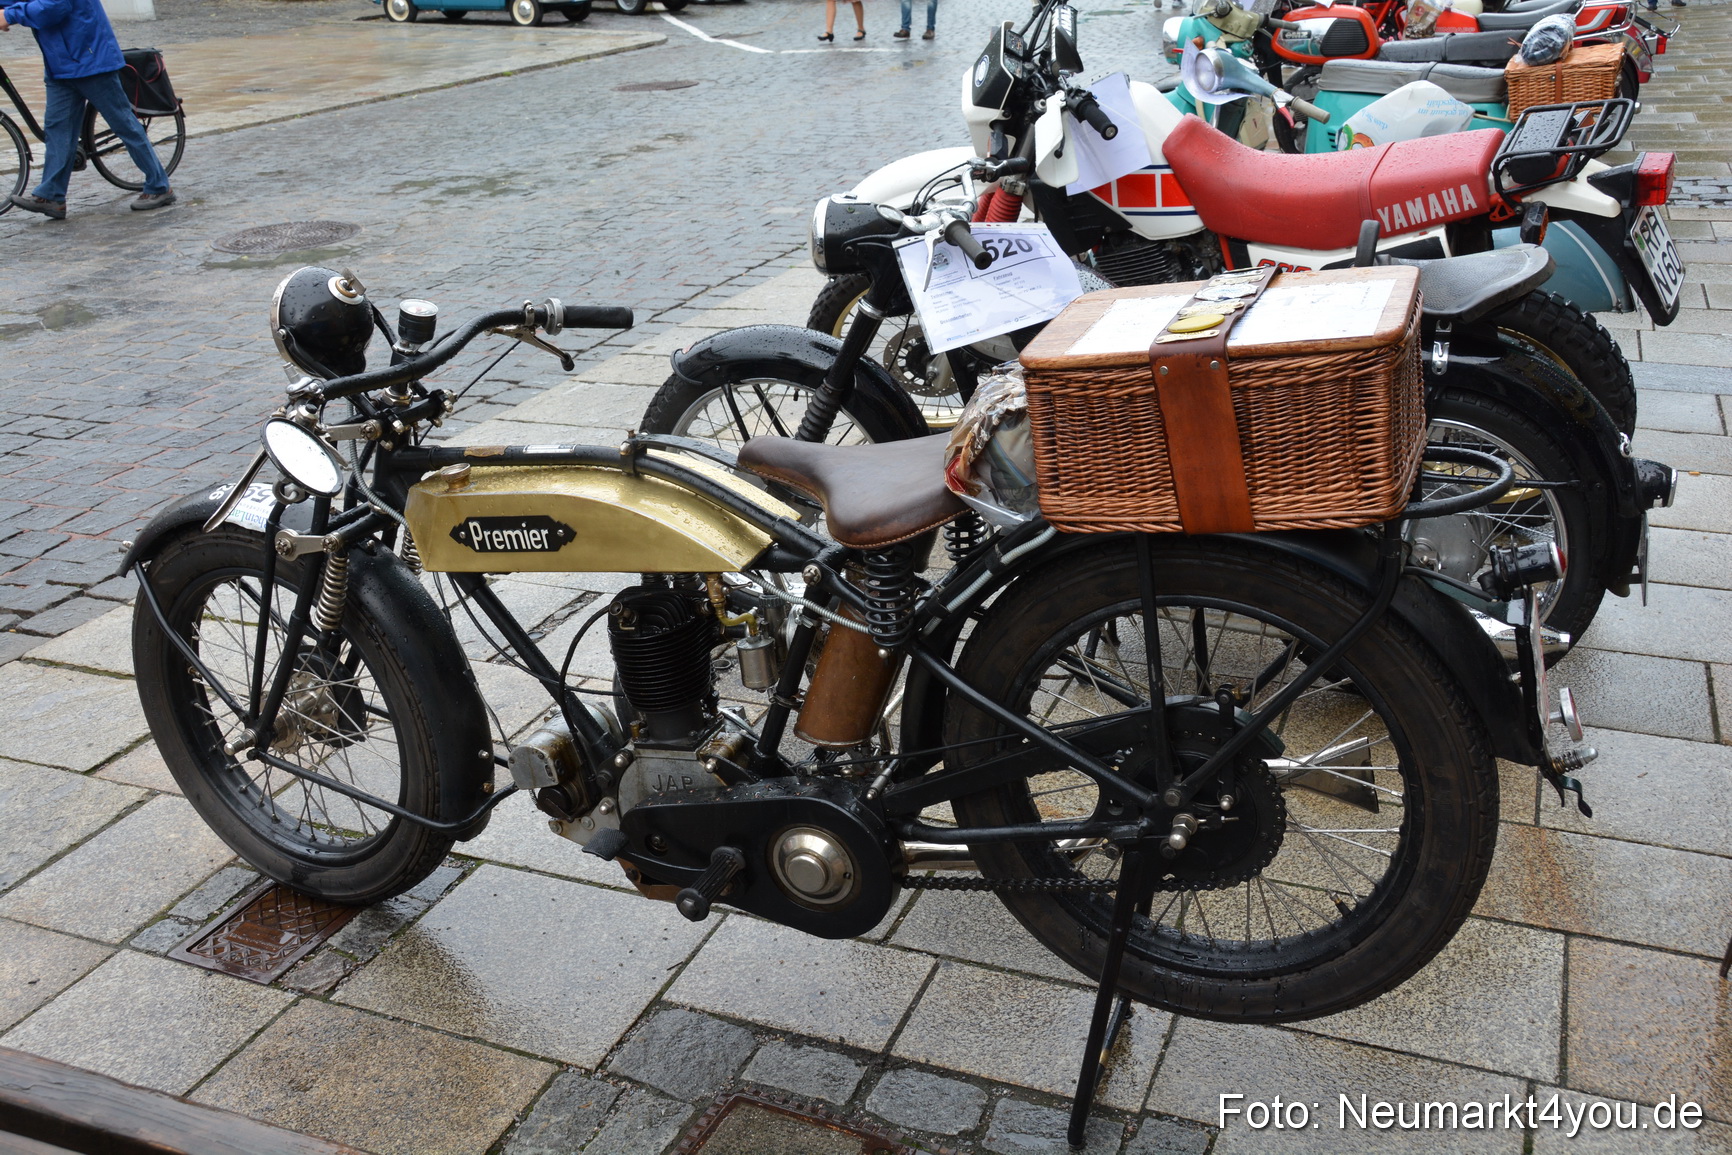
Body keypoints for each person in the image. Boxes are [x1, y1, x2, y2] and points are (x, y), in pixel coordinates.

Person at [0, 0, 175, 220]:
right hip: (60, 63)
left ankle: (159, 186)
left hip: (90, 58)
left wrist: (10, 15)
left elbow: (53, 7)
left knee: (123, 123)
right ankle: (52, 196)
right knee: (57, 129)